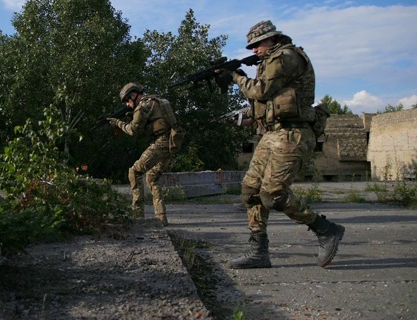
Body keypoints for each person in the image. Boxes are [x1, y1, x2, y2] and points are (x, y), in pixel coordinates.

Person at [215, 20, 345, 268]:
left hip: (292, 134)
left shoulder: (285, 57)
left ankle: (326, 229)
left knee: (273, 195)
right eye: (251, 46)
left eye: (257, 44)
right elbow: (265, 103)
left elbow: (261, 91)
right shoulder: (268, 62)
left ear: (272, 39)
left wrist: (235, 77)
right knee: (250, 191)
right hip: (271, 134)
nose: (254, 50)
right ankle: (258, 252)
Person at [107, 83, 183, 225]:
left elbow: (133, 130)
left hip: (161, 142)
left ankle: (137, 215)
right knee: (152, 177)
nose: (128, 104)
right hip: (172, 142)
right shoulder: (154, 101)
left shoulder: (143, 106)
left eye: (127, 100)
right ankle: (161, 217)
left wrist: (118, 123)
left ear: (134, 95)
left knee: (134, 172)